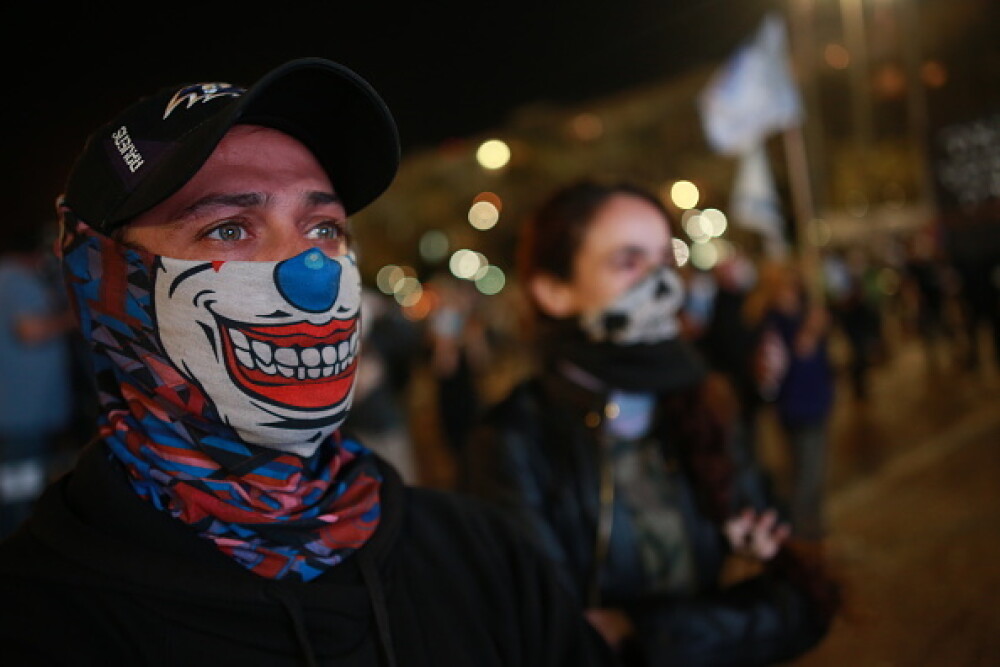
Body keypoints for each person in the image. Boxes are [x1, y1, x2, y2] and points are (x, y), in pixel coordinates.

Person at [0, 58, 616, 666]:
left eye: (324, 229)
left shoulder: (480, 558)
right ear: (99, 273)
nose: (311, 275)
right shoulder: (38, 619)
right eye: (230, 230)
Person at [460, 180, 840, 666]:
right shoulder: (509, 442)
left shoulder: (701, 404)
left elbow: (803, 604)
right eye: (627, 261)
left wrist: (638, 631)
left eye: (663, 260)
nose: (660, 284)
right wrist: (718, 621)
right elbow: (560, 646)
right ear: (554, 292)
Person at [744, 259, 836, 542]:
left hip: (816, 400)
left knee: (812, 470)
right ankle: (799, 533)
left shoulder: (805, 314)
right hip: (797, 406)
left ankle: (814, 526)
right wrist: (807, 335)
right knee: (806, 473)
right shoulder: (773, 323)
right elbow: (780, 365)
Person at [0, 222, 77, 538]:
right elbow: (30, 331)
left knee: (20, 482)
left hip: (20, 409)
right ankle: (16, 550)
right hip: (22, 413)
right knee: (20, 489)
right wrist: (75, 316)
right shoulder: (15, 277)